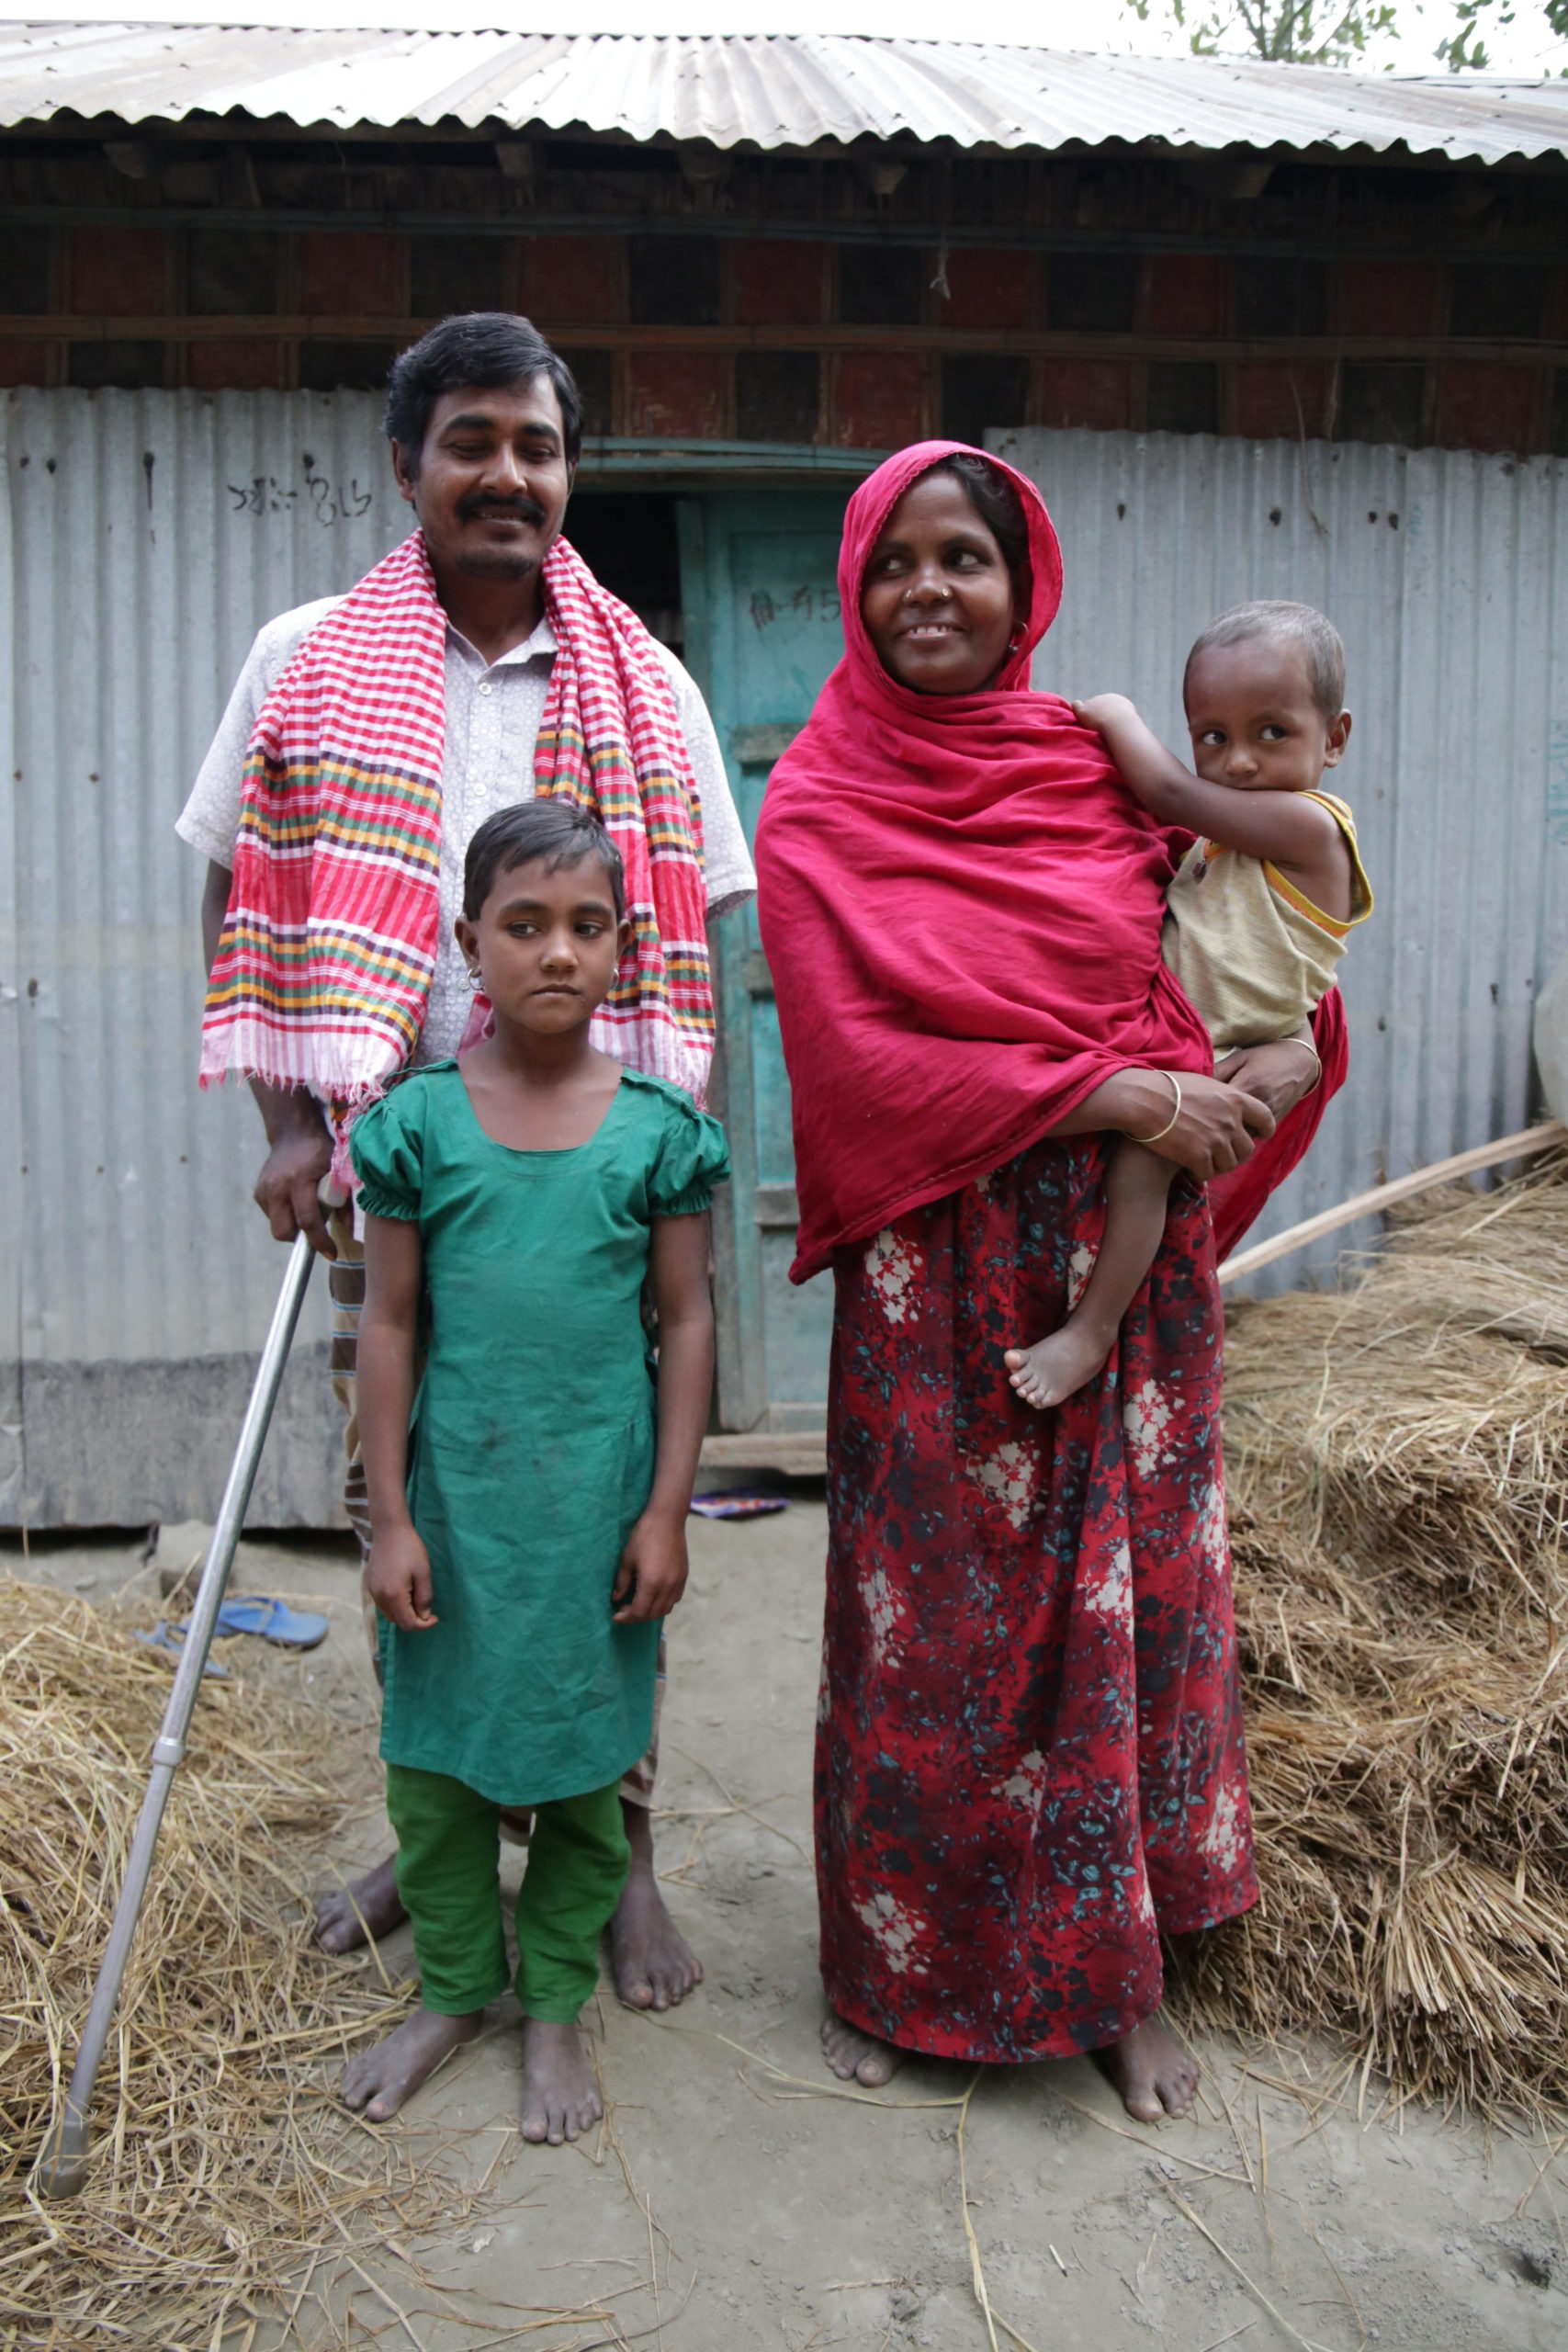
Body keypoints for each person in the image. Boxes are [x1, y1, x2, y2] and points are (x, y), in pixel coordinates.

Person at [754, 442, 1341, 2122]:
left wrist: (1250, 1066)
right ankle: (898, 1969)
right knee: (928, 1634)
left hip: (1120, 1273)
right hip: (933, 1279)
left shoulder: (1096, 772)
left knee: (1124, 1610)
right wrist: (1100, 1091)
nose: (928, 590)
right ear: (858, 586)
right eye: (895, 563)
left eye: (967, 559)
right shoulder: (818, 800)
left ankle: (1119, 1978)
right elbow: (856, 1065)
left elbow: (1244, 939)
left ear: (1027, 587)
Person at [176, 312, 754, 2009]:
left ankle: (613, 1845)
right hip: (394, 1149)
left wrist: (677, 1132)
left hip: (587, 1168)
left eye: (539, 445)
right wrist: (286, 1120)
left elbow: (702, 913)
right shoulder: (306, 653)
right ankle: (428, 1822)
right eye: (473, 441)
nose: (509, 472)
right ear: (409, 465)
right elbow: (234, 880)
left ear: (568, 473)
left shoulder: (644, 678)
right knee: (408, 1497)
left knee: (595, 1508)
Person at [338, 800, 728, 2138]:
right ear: (468, 943)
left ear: (625, 947)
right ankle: (457, 1988)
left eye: (585, 926)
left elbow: (684, 1322)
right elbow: (386, 1324)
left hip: (594, 1514)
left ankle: (553, 2002)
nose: (554, 952)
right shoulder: (414, 1130)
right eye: (522, 925)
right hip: (454, 1509)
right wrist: (388, 1518)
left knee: (578, 1769)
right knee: (435, 1767)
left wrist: (666, 1511)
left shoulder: (658, 1133)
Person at [1004, 601, 1371, 1410]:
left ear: (1333, 739)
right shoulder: (1233, 840)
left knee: (1143, 1167)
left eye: (1270, 732)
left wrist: (1114, 715)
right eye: (1213, 736)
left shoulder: (1307, 827)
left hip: (1222, 1043)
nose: (1238, 762)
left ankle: (1090, 1331)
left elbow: (1165, 790)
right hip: (1184, 1027)